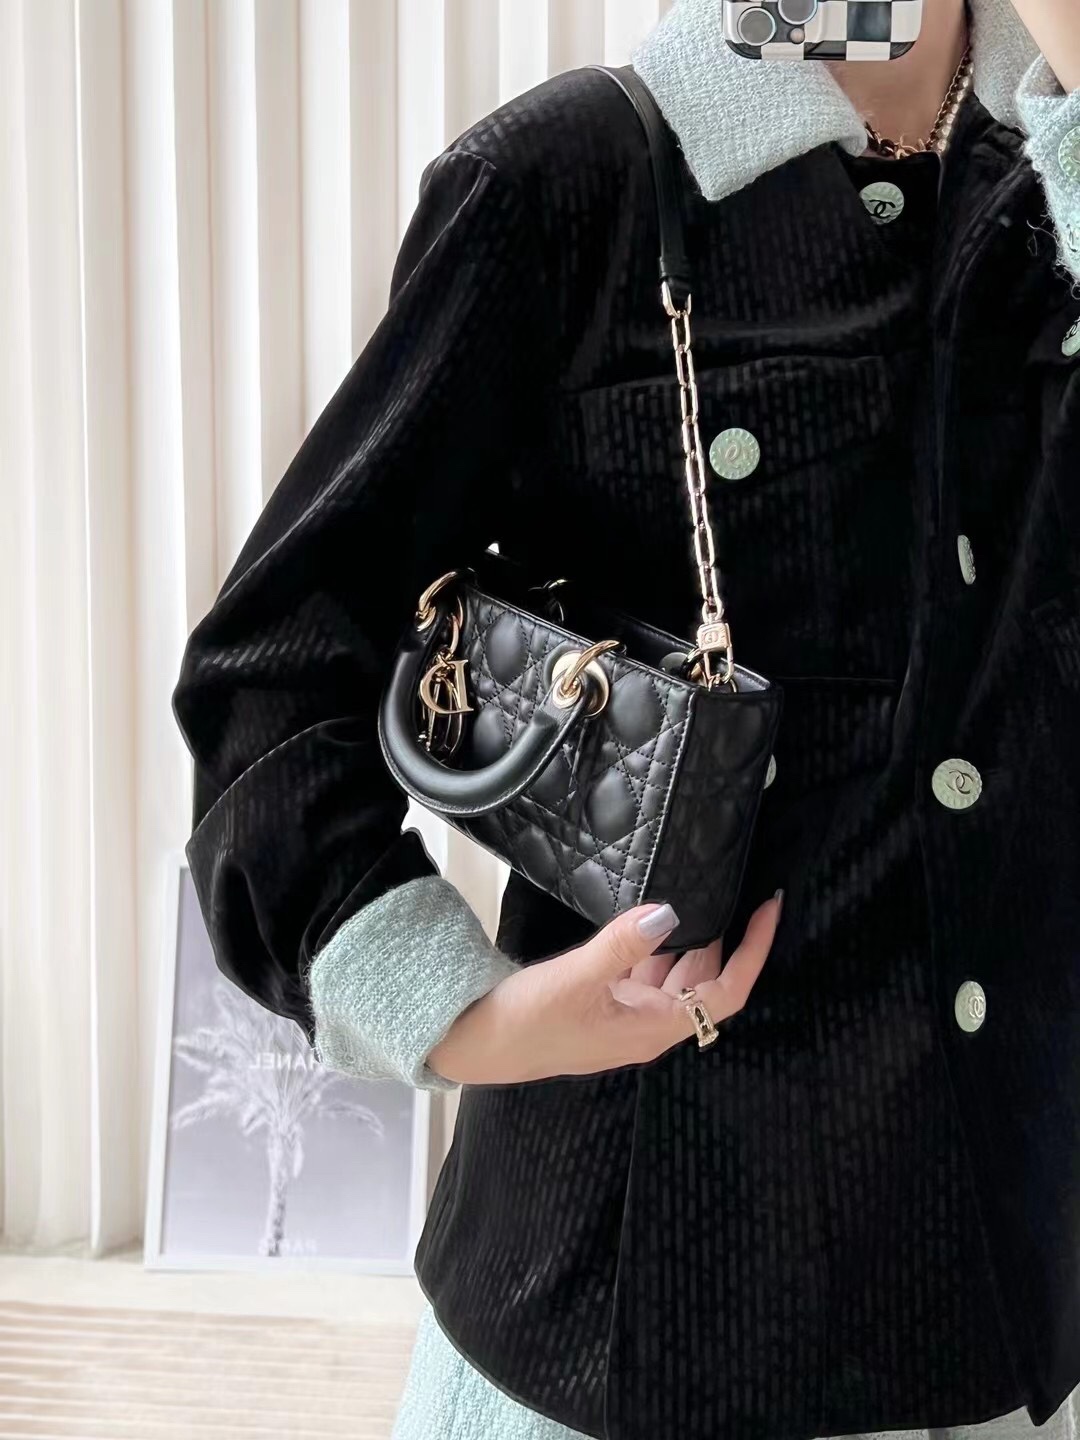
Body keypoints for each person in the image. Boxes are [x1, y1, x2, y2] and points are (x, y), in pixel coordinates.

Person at [170, 0, 1080, 1436]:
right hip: (637, 1313)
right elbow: (273, 672)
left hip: (1006, 1305)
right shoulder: (569, 186)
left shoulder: (1049, 189)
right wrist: (469, 1020)